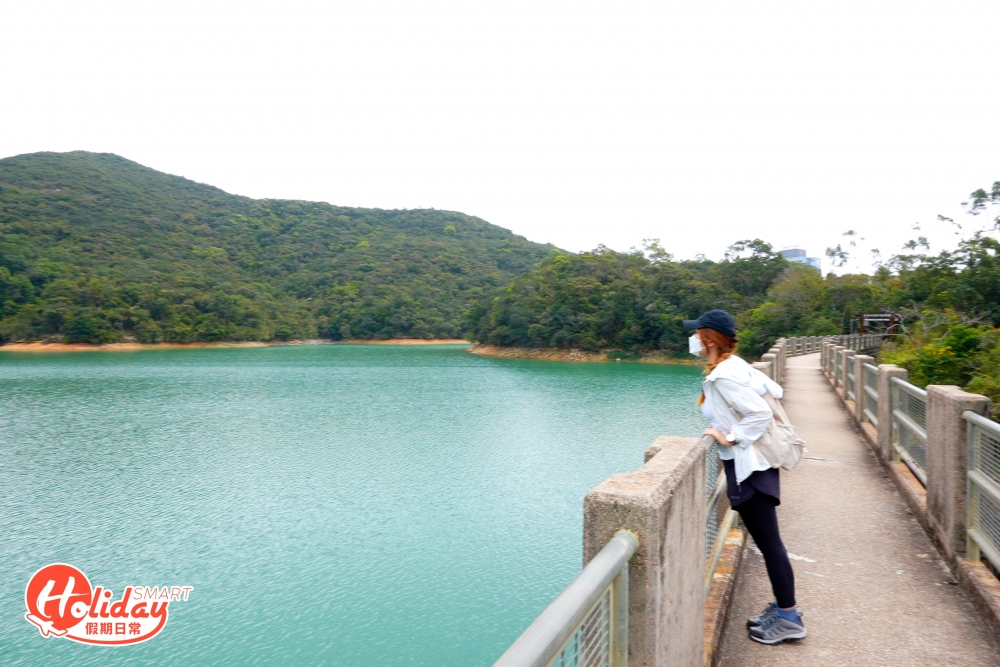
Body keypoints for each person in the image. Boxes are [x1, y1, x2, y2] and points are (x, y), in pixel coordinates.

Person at [683, 309, 807, 645]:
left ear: (708, 338)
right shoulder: (731, 367)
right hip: (753, 465)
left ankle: (790, 617)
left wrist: (730, 437)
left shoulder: (723, 376)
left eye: (696, 333)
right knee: (769, 543)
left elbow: (760, 412)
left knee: (770, 544)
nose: (692, 339)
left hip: (750, 467)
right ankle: (783, 610)